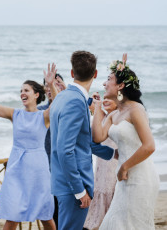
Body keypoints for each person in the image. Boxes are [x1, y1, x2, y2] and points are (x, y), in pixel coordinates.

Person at [0, 64, 56, 230]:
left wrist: (51, 85)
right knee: (13, 215)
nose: (22, 93)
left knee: (45, 215)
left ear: (36, 95)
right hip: (17, 169)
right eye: (21, 90)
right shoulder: (15, 114)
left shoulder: (44, 116)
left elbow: (57, 106)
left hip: (38, 170)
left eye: (26, 90)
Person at [49, 51, 115, 230]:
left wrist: (112, 153)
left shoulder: (62, 97)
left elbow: (81, 142)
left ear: (72, 73)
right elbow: (65, 150)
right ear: (95, 74)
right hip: (73, 186)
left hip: (63, 180)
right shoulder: (75, 102)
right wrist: (79, 190)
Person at [92, 54, 159, 230]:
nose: (104, 84)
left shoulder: (136, 109)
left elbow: (149, 146)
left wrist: (123, 167)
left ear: (121, 86)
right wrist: (98, 108)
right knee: (113, 223)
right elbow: (97, 137)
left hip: (140, 177)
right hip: (124, 179)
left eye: (109, 79)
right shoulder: (114, 115)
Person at [83, 97, 118, 230]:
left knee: (109, 189)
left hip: (113, 162)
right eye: (105, 98)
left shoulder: (117, 118)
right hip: (101, 163)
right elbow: (90, 104)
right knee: (100, 187)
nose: (106, 100)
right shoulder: (104, 116)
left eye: (110, 99)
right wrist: (94, 100)